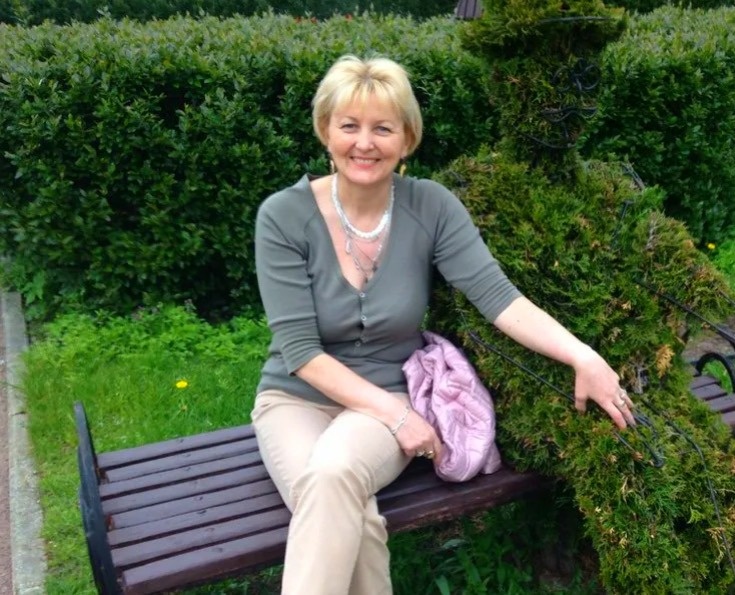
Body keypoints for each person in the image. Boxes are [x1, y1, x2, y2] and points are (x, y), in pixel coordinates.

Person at [252, 54, 636, 595]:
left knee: (334, 474)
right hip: (296, 401)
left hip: (386, 394)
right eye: (349, 126)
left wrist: (582, 355)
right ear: (325, 131)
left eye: (383, 128)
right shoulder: (283, 215)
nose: (365, 143)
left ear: (407, 138)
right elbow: (300, 351)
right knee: (351, 515)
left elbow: (498, 298)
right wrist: (399, 418)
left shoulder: (431, 206)